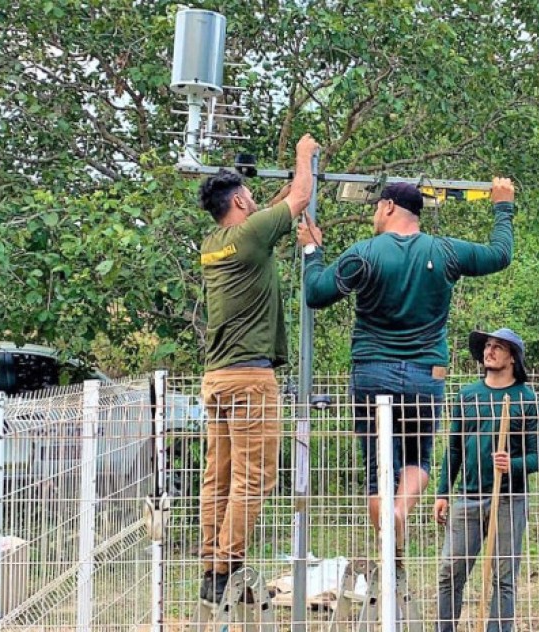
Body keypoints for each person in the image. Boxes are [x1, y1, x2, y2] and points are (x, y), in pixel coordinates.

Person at [297, 178, 515, 563]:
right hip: (425, 375)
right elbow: (500, 254)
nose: (374, 216)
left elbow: (316, 293)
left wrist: (312, 249)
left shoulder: (363, 254)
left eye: (376, 209)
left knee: (377, 468)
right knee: (419, 459)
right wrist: (502, 206)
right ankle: (400, 510)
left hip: (372, 372)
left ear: (389, 207)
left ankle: (388, 537)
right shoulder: (445, 251)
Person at [197, 133, 319, 604]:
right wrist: (303, 155)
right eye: (248, 197)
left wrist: (279, 190)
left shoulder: (216, 242)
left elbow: (275, 208)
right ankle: (228, 569)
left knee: (219, 477)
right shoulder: (250, 234)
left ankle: (212, 565)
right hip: (250, 378)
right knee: (253, 478)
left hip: (216, 377)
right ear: (240, 201)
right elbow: (300, 196)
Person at [434, 328, 539, 632]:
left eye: (498, 347)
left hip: (510, 499)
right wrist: (443, 491)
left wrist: (511, 464)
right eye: (487, 346)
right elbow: (454, 447)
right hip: (467, 497)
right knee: (449, 572)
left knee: (503, 577)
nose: (490, 351)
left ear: (512, 357)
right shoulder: (468, 396)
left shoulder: (527, 399)